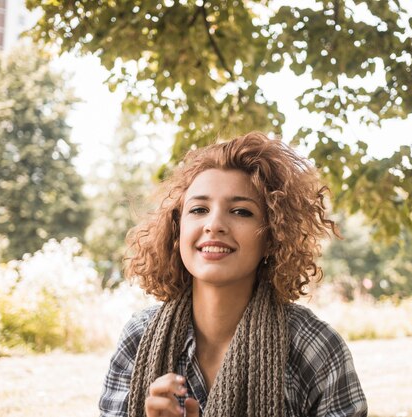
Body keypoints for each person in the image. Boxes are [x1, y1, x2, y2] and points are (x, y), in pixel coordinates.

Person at [99, 132, 367, 417]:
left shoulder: (314, 346)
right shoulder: (139, 339)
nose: (214, 224)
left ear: (272, 236)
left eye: (241, 211)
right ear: (178, 230)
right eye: (199, 209)